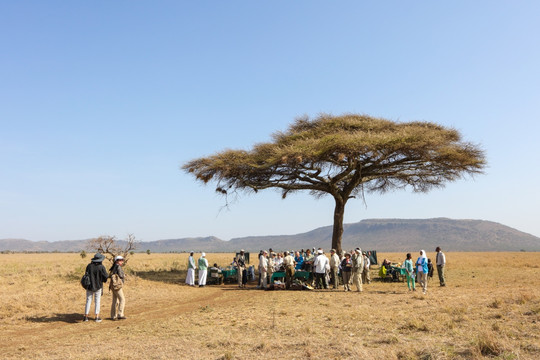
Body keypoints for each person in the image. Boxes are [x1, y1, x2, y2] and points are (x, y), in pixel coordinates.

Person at [83, 253, 108, 322]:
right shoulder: (101, 267)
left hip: (89, 286)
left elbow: (86, 275)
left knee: (88, 301)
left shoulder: (89, 266)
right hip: (98, 286)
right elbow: (106, 276)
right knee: (97, 301)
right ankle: (97, 317)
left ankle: (86, 317)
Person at [109, 255, 127, 321]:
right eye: (120, 260)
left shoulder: (113, 266)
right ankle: (120, 314)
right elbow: (121, 275)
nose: (122, 261)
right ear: (117, 261)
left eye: (122, 260)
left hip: (112, 285)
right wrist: (124, 275)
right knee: (122, 299)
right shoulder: (118, 267)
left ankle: (113, 316)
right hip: (117, 285)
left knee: (115, 300)